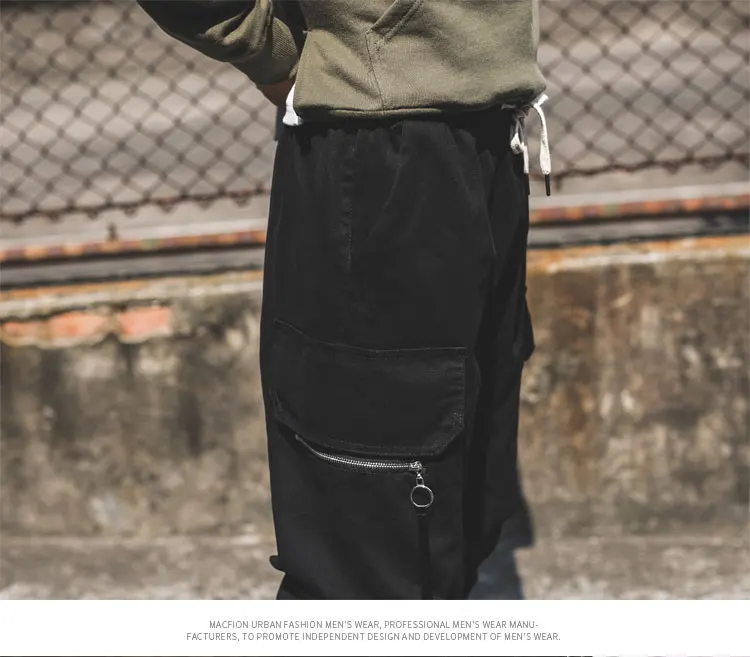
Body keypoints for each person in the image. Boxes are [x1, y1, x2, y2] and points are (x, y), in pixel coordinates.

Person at [137, 0, 550, 600]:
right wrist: (278, 57)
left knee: (458, 519)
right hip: (383, 152)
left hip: (490, 140)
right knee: (370, 553)